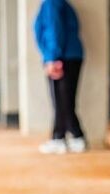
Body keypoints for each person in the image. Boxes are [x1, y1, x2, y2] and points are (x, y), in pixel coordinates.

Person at [34, 0, 86, 154]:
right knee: (65, 100)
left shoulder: (51, 3)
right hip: (68, 56)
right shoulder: (59, 3)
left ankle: (60, 138)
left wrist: (52, 58)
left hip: (62, 57)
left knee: (61, 100)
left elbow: (54, 30)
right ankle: (74, 136)